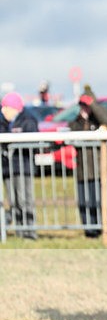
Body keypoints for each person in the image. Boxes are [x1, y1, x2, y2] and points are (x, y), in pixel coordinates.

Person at [68, 87, 107, 238]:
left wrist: (93, 105)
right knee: (85, 202)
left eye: (86, 105)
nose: (84, 108)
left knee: (104, 201)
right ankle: (90, 230)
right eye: (82, 105)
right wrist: (82, 116)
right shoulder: (77, 122)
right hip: (84, 170)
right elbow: (71, 132)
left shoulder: (100, 117)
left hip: (101, 169)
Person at [0, 91, 38, 238]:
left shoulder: (28, 120)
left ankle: (29, 230)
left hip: (24, 167)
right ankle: (20, 230)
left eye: (5, 108)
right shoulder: (4, 121)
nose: (3, 111)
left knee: (25, 200)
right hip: (7, 168)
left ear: (14, 108)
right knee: (14, 200)